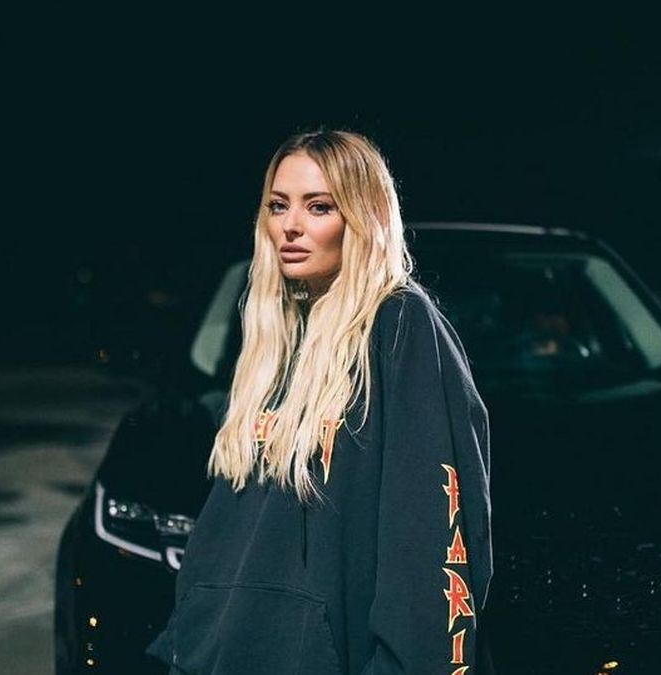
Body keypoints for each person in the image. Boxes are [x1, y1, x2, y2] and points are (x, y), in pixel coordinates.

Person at [144, 129, 494, 674]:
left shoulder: (399, 323)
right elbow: (233, 535)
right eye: (278, 205)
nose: (291, 225)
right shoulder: (273, 341)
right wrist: (186, 640)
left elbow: (430, 538)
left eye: (319, 207)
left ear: (362, 217)